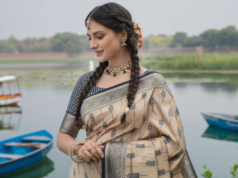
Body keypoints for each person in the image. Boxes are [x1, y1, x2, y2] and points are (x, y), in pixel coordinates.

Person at [57, 2, 197, 178]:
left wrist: (110, 153)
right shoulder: (86, 83)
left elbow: (174, 144)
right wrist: (78, 148)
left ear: (122, 35)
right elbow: (64, 136)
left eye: (99, 37)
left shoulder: (153, 83)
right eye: (89, 38)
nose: (92, 44)